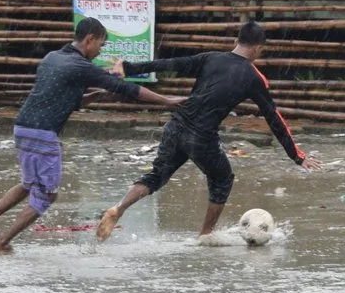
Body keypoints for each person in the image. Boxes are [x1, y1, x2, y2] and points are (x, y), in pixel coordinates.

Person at [94, 19, 315, 241]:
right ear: (258, 48)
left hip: (176, 125)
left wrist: (128, 67)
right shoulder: (253, 77)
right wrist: (296, 156)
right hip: (201, 136)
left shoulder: (210, 58)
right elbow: (274, 117)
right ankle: (205, 235)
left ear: (236, 41)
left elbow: (170, 63)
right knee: (222, 179)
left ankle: (118, 208)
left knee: (156, 176)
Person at [0, 17, 173, 252]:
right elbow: (127, 88)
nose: (100, 51)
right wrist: (168, 101)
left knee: (28, 184)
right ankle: (1, 243)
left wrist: (94, 95)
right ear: (90, 39)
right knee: (46, 196)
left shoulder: (53, 57)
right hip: (43, 134)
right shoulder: (81, 66)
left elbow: (62, 97)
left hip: (23, 128)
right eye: (100, 45)